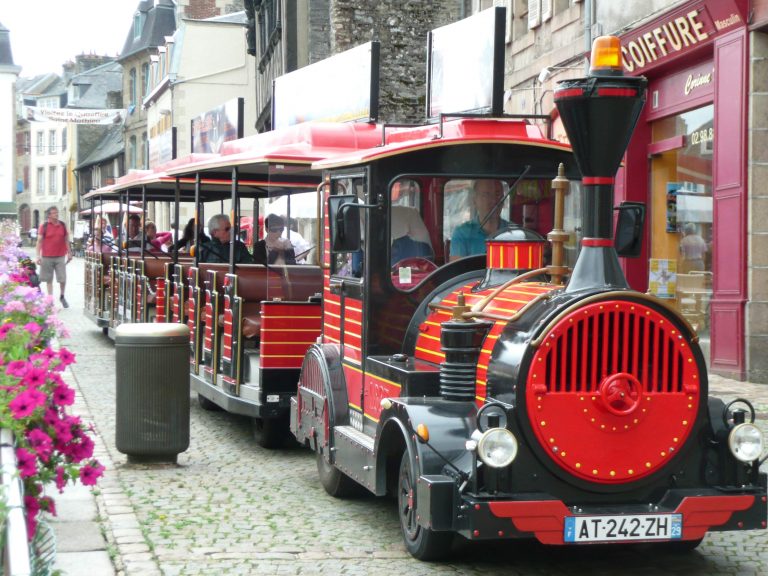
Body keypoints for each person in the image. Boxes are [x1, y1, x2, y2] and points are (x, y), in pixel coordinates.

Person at [450, 179, 509, 261]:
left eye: (498, 194)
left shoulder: (515, 233)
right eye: (486, 195)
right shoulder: (462, 234)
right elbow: (457, 271)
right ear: (474, 200)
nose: (494, 200)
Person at [36, 206, 72, 308]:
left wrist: (69, 253)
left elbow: (66, 240)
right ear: (49, 215)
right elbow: (39, 241)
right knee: (49, 279)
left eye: (57, 212)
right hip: (47, 257)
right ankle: (50, 299)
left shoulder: (63, 225)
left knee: (62, 278)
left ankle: (62, 296)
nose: (56, 214)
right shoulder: (44, 226)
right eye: (54, 213)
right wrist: (38, 256)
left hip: (60, 256)